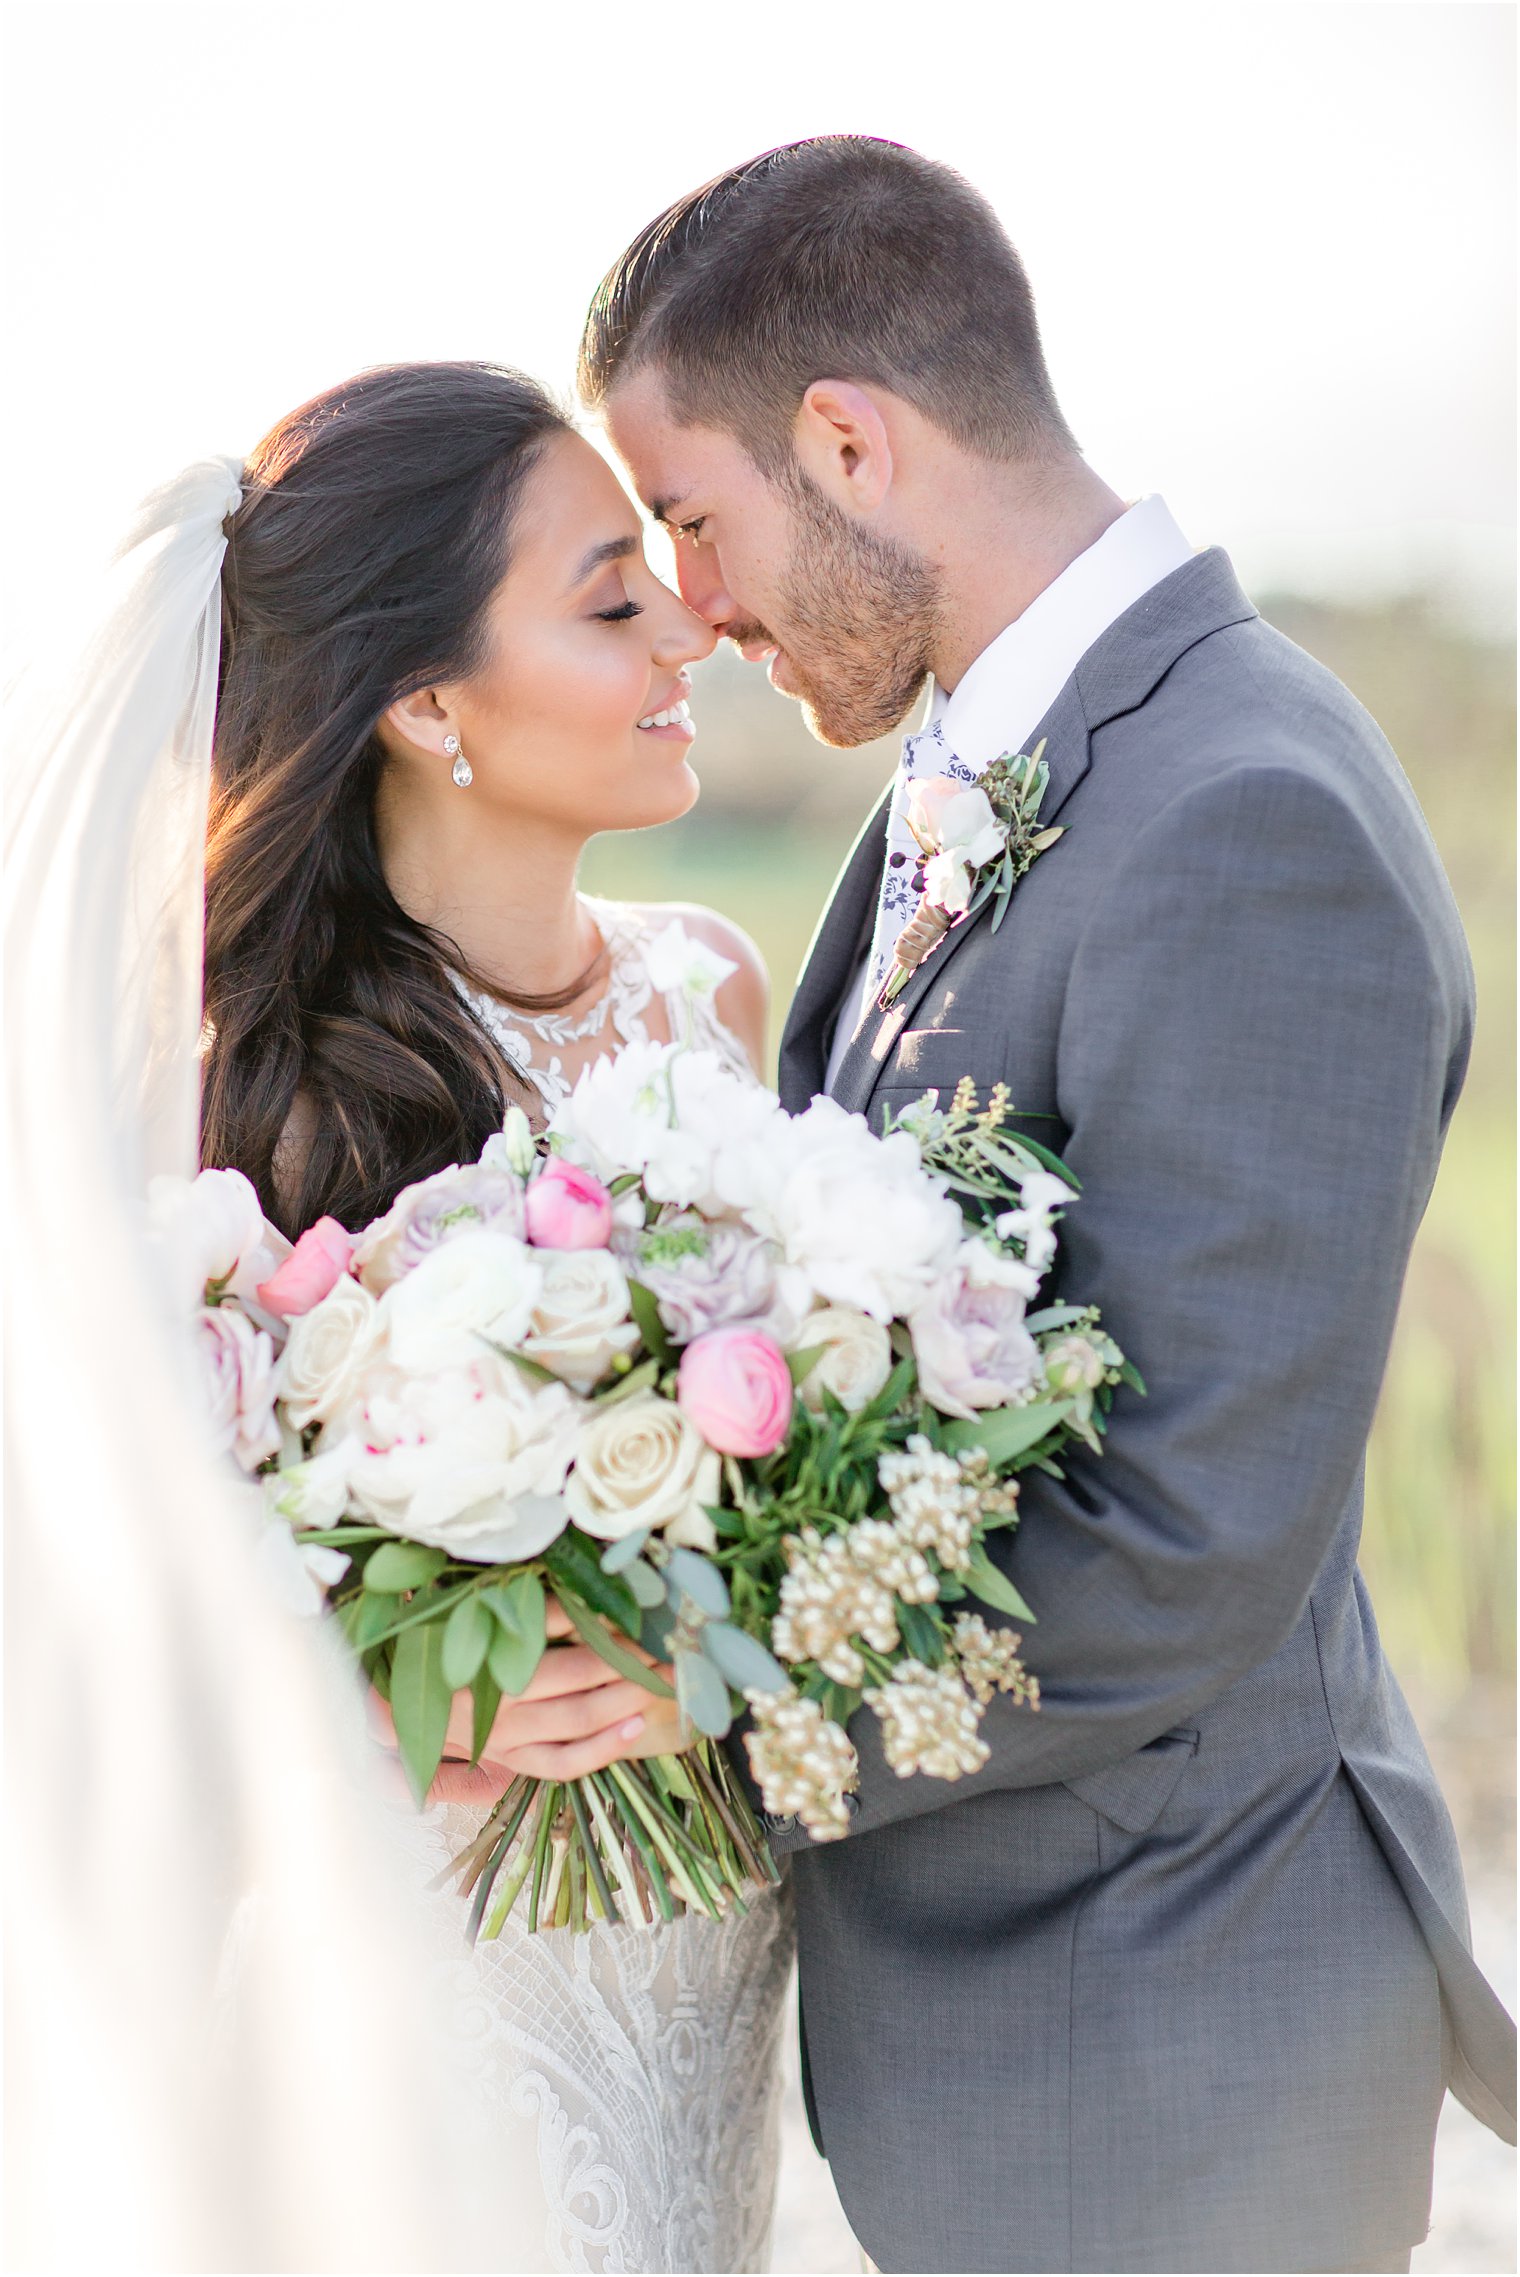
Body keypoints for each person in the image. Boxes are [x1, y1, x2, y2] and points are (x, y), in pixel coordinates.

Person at [582, 134, 1518, 2275]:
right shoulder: (978, 770)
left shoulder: (1239, 810)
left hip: (1174, 2034)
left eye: (694, 520)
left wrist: (704, 1696)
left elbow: (1188, 1533)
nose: (694, 601)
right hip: (1040, 2015)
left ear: (848, 440)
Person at [198, 358, 793, 2274]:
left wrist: (745, 1624)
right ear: (427, 699)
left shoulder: (719, 999)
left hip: (710, 1936)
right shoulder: (253, 1092)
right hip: (423, 1956)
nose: (688, 624)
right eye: (611, 602)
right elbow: (101, 1587)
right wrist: (385, 1701)